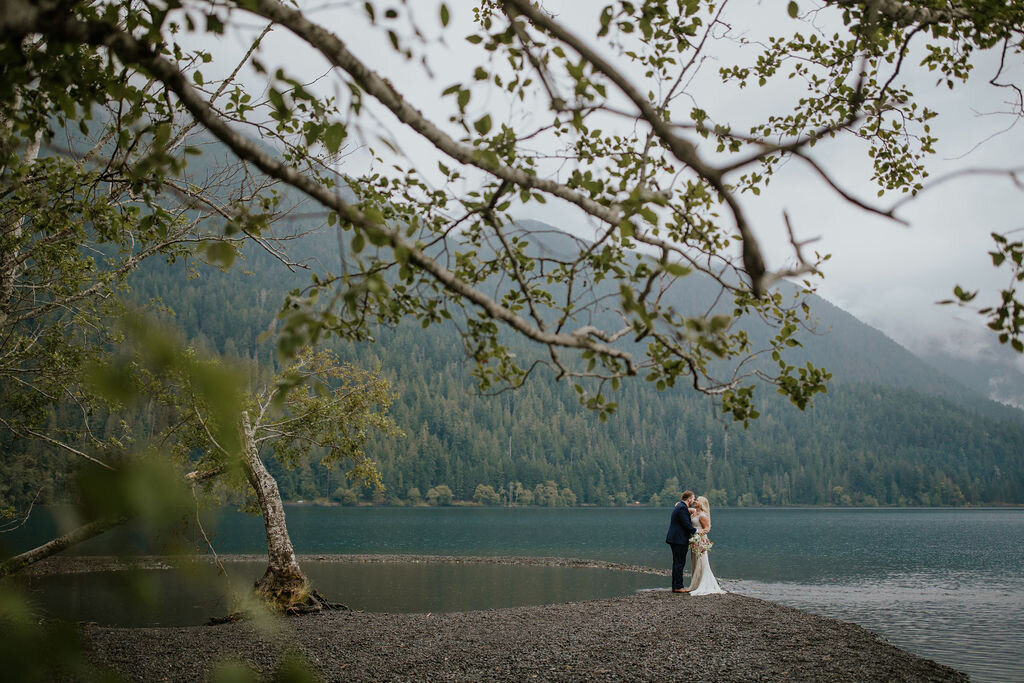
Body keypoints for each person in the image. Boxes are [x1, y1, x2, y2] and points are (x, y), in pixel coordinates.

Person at [687, 496, 725, 595]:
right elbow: (684, 508)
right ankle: (695, 583)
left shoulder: (702, 515)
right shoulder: (694, 511)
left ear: (702, 503)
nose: (695, 501)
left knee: (701, 561)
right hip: (693, 540)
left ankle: (703, 584)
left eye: (698, 500)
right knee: (694, 560)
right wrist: (679, 504)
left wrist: (698, 536)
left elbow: (707, 528)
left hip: (700, 540)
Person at [665, 490, 698, 593]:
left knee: (677, 563)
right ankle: (679, 586)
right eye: (693, 498)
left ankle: (675, 586)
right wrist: (697, 531)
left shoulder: (680, 506)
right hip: (679, 539)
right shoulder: (682, 508)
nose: (693, 500)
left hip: (675, 538)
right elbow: (686, 524)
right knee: (679, 563)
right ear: (689, 499)